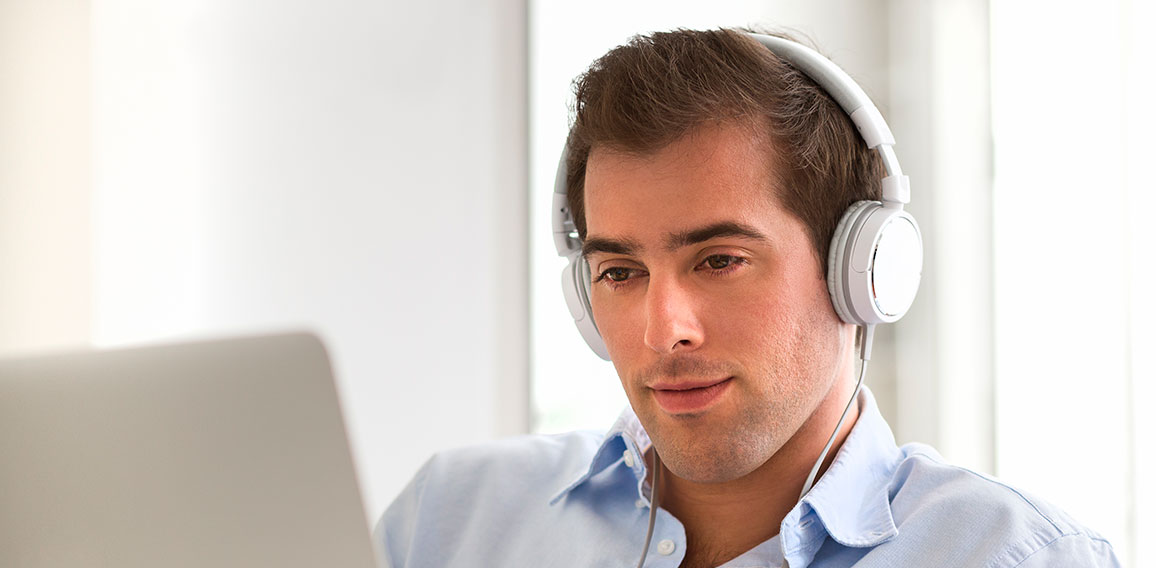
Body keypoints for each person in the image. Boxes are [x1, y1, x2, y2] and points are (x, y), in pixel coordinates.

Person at [375, 28, 1120, 567]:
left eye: (719, 260)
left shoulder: (1022, 558)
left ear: (859, 270)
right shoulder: (448, 523)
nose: (665, 330)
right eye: (620, 272)